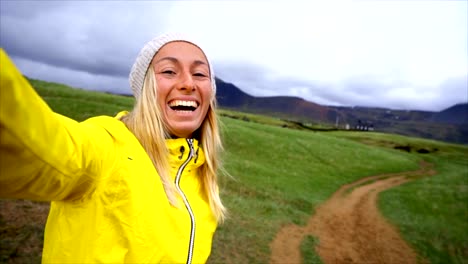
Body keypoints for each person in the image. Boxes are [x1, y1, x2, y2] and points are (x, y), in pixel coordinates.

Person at [0, 33, 226, 263]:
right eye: (169, 71)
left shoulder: (204, 182)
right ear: (145, 88)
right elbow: (35, 144)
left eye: (199, 74)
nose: (188, 83)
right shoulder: (107, 147)